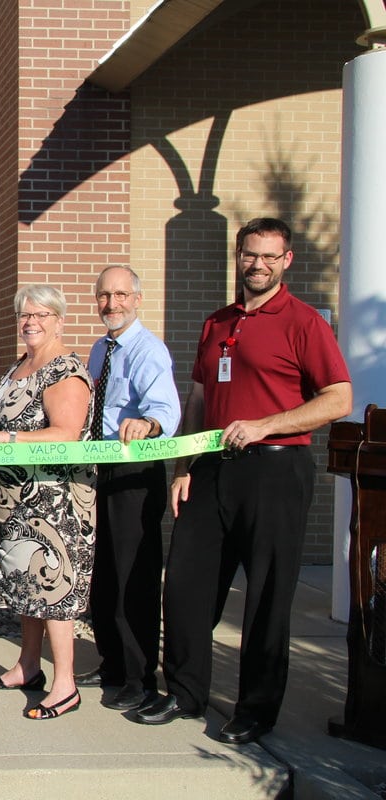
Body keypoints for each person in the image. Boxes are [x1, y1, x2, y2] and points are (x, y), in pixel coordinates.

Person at [135, 218, 352, 745]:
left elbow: (338, 398)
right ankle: (185, 693)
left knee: (267, 595)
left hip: (276, 469)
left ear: (287, 260)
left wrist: (265, 425)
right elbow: (200, 400)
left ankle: (256, 709)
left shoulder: (302, 322)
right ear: (238, 255)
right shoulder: (217, 322)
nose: (258, 265)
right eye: (250, 255)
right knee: (186, 583)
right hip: (212, 468)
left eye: (269, 257)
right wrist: (183, 468)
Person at [0, 284, 95, 721]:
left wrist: (8, 438)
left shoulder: (64, 370)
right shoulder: (21, 365)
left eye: (41, 315)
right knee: (26, 587)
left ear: (59, 320)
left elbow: (65, 433)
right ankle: (28, 666)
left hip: (51, 503)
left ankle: (66, 685)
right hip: (11, 503)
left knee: (53, 591)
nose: (31, 322)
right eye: (24, 315)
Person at [76, 266, 181, 711]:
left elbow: (164, 409)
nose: (112, 304)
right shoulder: (101, 349)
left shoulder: (147, 349)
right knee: (103, 572)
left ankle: (141, 679)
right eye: (104, 295)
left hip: (134, 474)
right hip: (100, 469)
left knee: (132, 576)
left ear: (137, 299)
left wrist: (148, 422)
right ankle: (113, 662)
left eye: (121, 295)